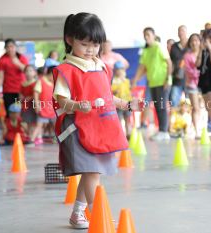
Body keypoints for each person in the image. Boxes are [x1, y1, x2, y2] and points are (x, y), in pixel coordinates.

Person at [52, 13, 143, 229]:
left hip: (100, 126)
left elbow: (107, 97)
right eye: (84, 44)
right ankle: (98, 216)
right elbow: (60, 100)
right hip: (78, 128)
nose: (90, 49)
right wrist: (76, 105)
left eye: (95, 45)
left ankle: (77, 214)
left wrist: (128, 105)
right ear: (69, 40)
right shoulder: (67, 70)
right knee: (92, 172)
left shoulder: (102, 67)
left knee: (92, 172)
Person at [132, 27, 172, 141]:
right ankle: (161, 131)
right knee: (157, 106)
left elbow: (169, 63)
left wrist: (168, 79)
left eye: (148, 35)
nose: (146, 37)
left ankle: (164, 131)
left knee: (162, 106)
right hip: (152, 83)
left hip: (162, 82)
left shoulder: (159, 46)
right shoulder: (146, 51)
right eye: (145, 35)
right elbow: (142, 68)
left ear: (154, 35)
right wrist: (135, 80)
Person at [0, 38, 29, 115]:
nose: (10, 49)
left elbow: (28, 72)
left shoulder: (21, 57)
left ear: (15, 47)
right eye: (8, 47)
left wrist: (18, 63)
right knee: (10, 113)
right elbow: (0, 77)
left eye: (12, 46)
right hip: (8, 91)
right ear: (5, 48)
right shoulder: (2, 60)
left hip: (22, 90)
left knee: (22, 113)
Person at [31, 66, 55, 146]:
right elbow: (36, 94)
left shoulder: (53, 83)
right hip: (43, 108)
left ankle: (56, 139)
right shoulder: (41, 81)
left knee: (55, 125)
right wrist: (37, 105)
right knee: (39, 125)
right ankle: (32, 140)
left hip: (52, 109)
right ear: (51, 73)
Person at [183, 33, 201, 137]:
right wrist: (199, 73)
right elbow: (189, 71)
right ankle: (197, 131)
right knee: (196, 108)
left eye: (196, 40)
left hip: (205, 84)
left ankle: (202, 128)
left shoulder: (204, 53)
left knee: (204, 107)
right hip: (192, 84)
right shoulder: (187, 56)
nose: (194, 42)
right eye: (192, 40)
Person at [111, 61, 132, 138]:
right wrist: (115, 90)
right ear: (115, 71)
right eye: (118, 70)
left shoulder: (126, 80)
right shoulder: (113, 81)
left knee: (127, 118)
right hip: (118, 104)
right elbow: (111, 90)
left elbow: (129, 89)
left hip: (127, 102)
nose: (120, 71)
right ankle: (121, 134)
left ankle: (128, 133)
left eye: (121, 69)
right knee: (119, 119)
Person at [170, 25, 189, 107]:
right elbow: (171, 62)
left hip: (190, 80)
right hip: (177, 79)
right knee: (174, 103)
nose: (181, 33)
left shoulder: (191, 45)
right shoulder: (174, 46)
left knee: (190, 103)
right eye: (179, 31)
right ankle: (174, 119)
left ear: (186, 32)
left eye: (182, 31)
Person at [20, 65, 37, 137]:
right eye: (26, 71)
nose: (28, 73)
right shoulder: (23, 84)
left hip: (33, 104)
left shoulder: (36, 83)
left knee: (33, 121)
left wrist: (31, 97)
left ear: (35, 73)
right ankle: (29, 135)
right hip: (25, 104)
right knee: (25, 121)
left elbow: (37, 94)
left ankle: (32, 136)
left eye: (30, 71)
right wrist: (21, 98)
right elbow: (20, 93)